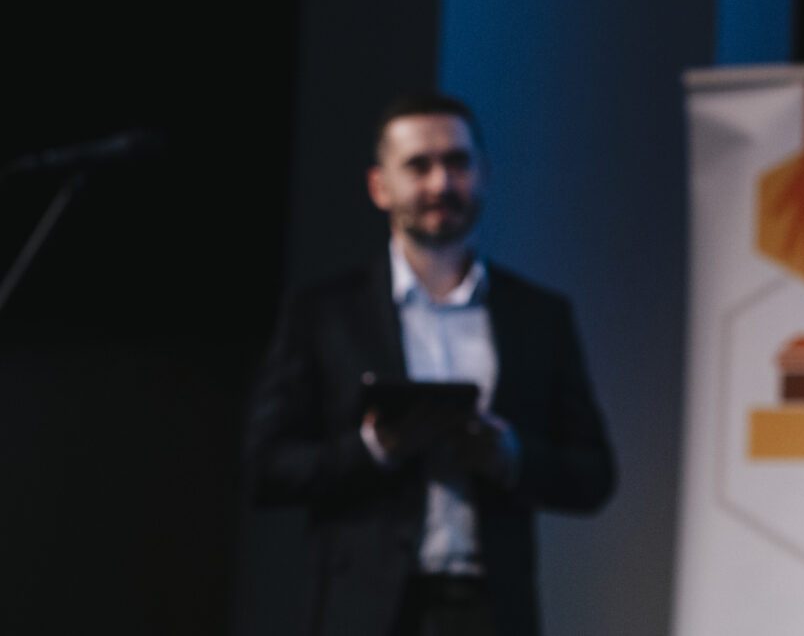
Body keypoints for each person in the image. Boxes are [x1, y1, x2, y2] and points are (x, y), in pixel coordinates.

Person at [247, 93, 616, 636]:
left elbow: (593, 474)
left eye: (457, 163)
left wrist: (511, 457)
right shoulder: (326, 313)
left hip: (489, 610)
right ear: (380, 186)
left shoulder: (538, 316)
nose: (441, 184)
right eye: (418, 166)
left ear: (484, 174)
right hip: (364, 611)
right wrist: (376, 448)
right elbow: (265, 466)